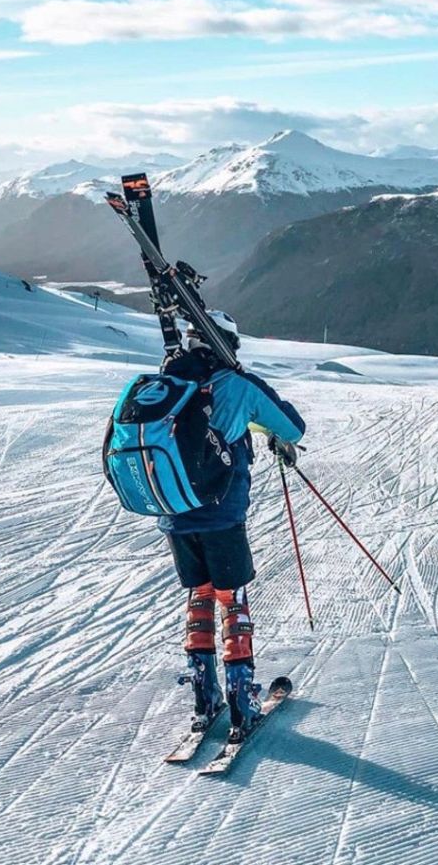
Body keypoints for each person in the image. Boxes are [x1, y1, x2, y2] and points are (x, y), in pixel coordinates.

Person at [159, 310, 305, 741]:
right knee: (232, 600)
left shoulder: (169, 383)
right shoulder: (238, 385)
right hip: (221, 513)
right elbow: (292, 427)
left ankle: (205, 698)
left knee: (199, 595)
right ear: (229, 345)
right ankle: (242, 703)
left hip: (174, 512)